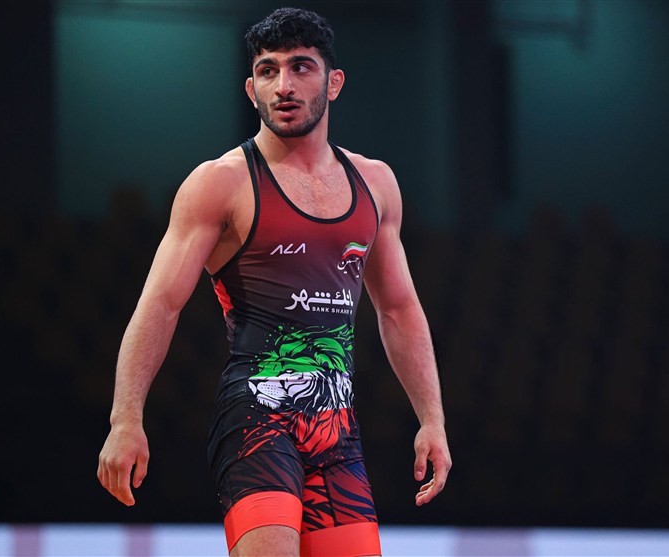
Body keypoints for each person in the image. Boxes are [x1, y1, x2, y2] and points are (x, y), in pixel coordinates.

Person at [97, 7, 451, 556]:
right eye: (268, 70)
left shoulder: (375, 183)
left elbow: (399, 309)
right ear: (251, 88)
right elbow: (160, 305)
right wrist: (125, 419)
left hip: (337, 433)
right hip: (255, 420)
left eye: (301, 67)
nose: (283, 85)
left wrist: (432, 420)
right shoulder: (220, 184)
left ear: (333, 82)